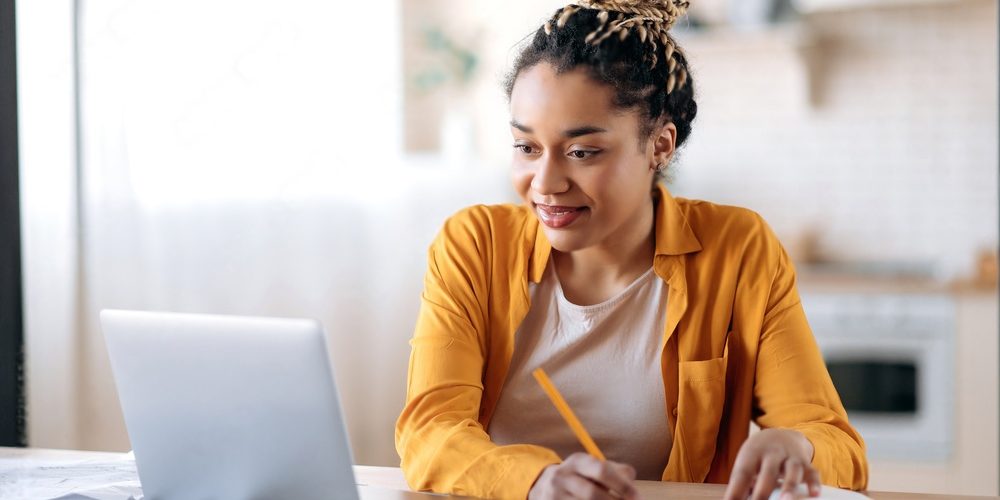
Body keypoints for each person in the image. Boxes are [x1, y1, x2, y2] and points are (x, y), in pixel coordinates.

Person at [395, 1, 868, 499]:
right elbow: (428, 432)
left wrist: (797, 447)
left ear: (660, 145)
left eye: (582, 152)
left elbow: (839, 448)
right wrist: (535, 482)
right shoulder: (474, 246)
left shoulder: (737, 250)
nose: (546, 182)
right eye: (526, 147)